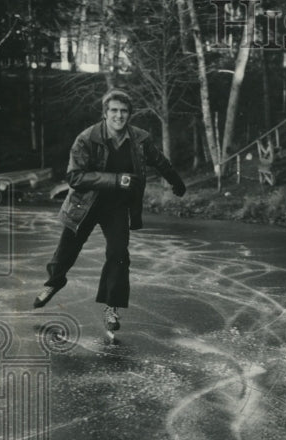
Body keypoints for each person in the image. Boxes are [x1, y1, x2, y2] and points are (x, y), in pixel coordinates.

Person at [33, 89, 187, 334]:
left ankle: (112, 306)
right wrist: (117, 180)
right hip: (85, 204)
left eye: (124, 111)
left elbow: (159, 160)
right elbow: (74, 176)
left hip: (116, 207)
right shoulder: (87, 138)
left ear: (129, 114)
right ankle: (53, 283)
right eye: (114, 110)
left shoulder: (139, 139)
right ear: (105, 113)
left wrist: (176, 180)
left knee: (118, 254)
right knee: (67, 249)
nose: (119, 115)